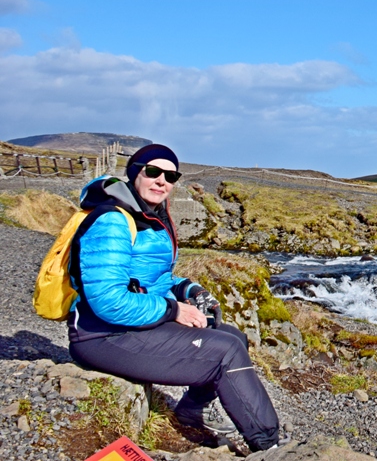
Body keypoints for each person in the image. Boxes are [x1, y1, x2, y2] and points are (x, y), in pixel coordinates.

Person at [66, 144, 285, 452]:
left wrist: (189, 290)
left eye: (171, 176)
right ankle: (269, 447)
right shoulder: (112, 220)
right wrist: (173, 310)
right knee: (225, 353)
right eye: (153, 172)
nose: (162, 181)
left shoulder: (150, 217)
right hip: (101, 335)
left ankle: (191, 412)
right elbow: (108, 301)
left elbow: (154, 278)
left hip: (134, 324)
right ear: (134, 173)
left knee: (235, 338)